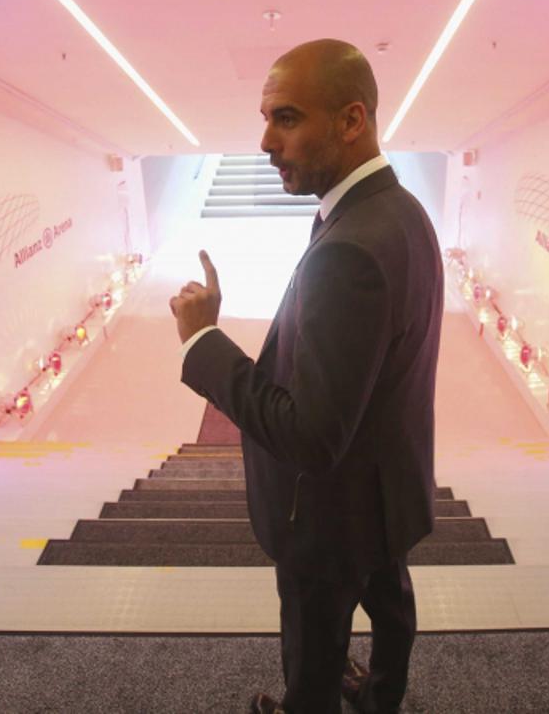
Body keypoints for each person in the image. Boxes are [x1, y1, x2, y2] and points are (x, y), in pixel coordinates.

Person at [169, 39, 443, 713]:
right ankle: (382, 697)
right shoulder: (399, 211)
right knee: (390, 602)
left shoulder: (350, 247)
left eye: (286, 118)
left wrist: (203, 341)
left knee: (311, 660)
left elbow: (312, 436)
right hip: (384, 490)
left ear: (352, 120)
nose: (265, 140)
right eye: (265, 117)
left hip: (327, 516)